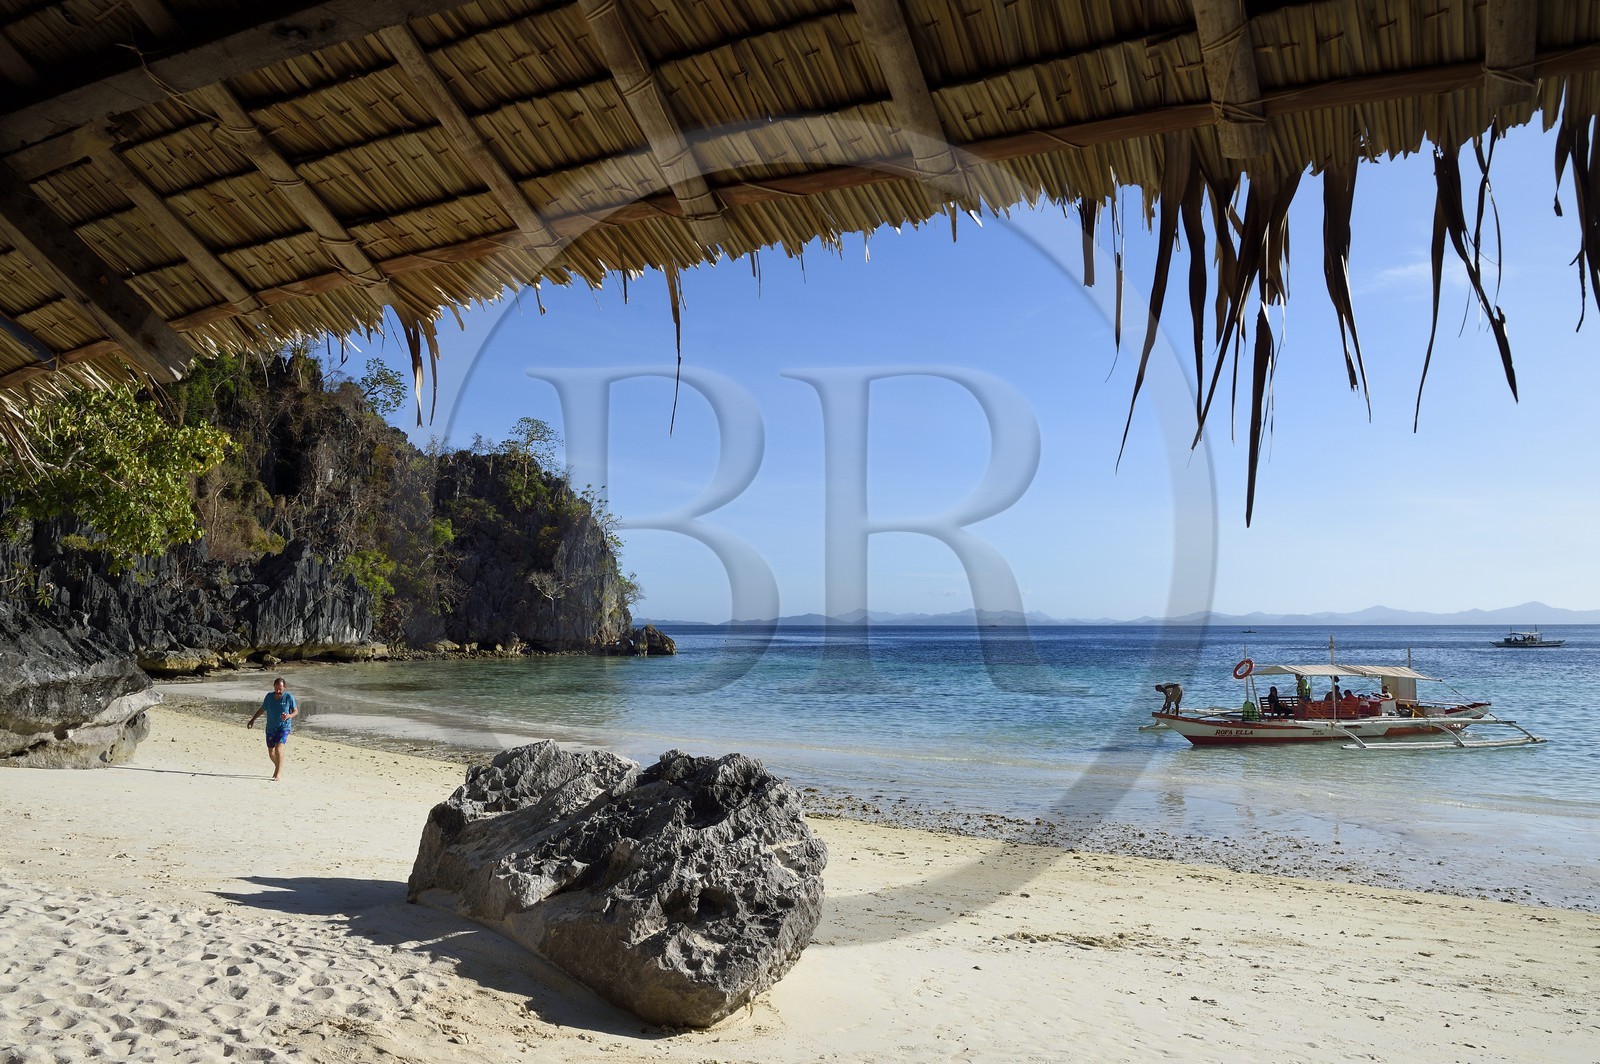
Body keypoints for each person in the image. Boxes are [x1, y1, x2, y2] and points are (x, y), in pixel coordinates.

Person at [247, 677, 298, 781]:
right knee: (271, 752)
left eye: (280, 689)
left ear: (284, 688)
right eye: (276, 688)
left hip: (284, 727)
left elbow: (296, 711)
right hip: (270, 727)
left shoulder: (289, 697)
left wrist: (289, 716)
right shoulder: (269, 697)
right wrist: (253, 720)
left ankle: (278, 774)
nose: (278, 691)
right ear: (274, 687)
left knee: (279, 748)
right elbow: (262, 709)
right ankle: (278, 766)